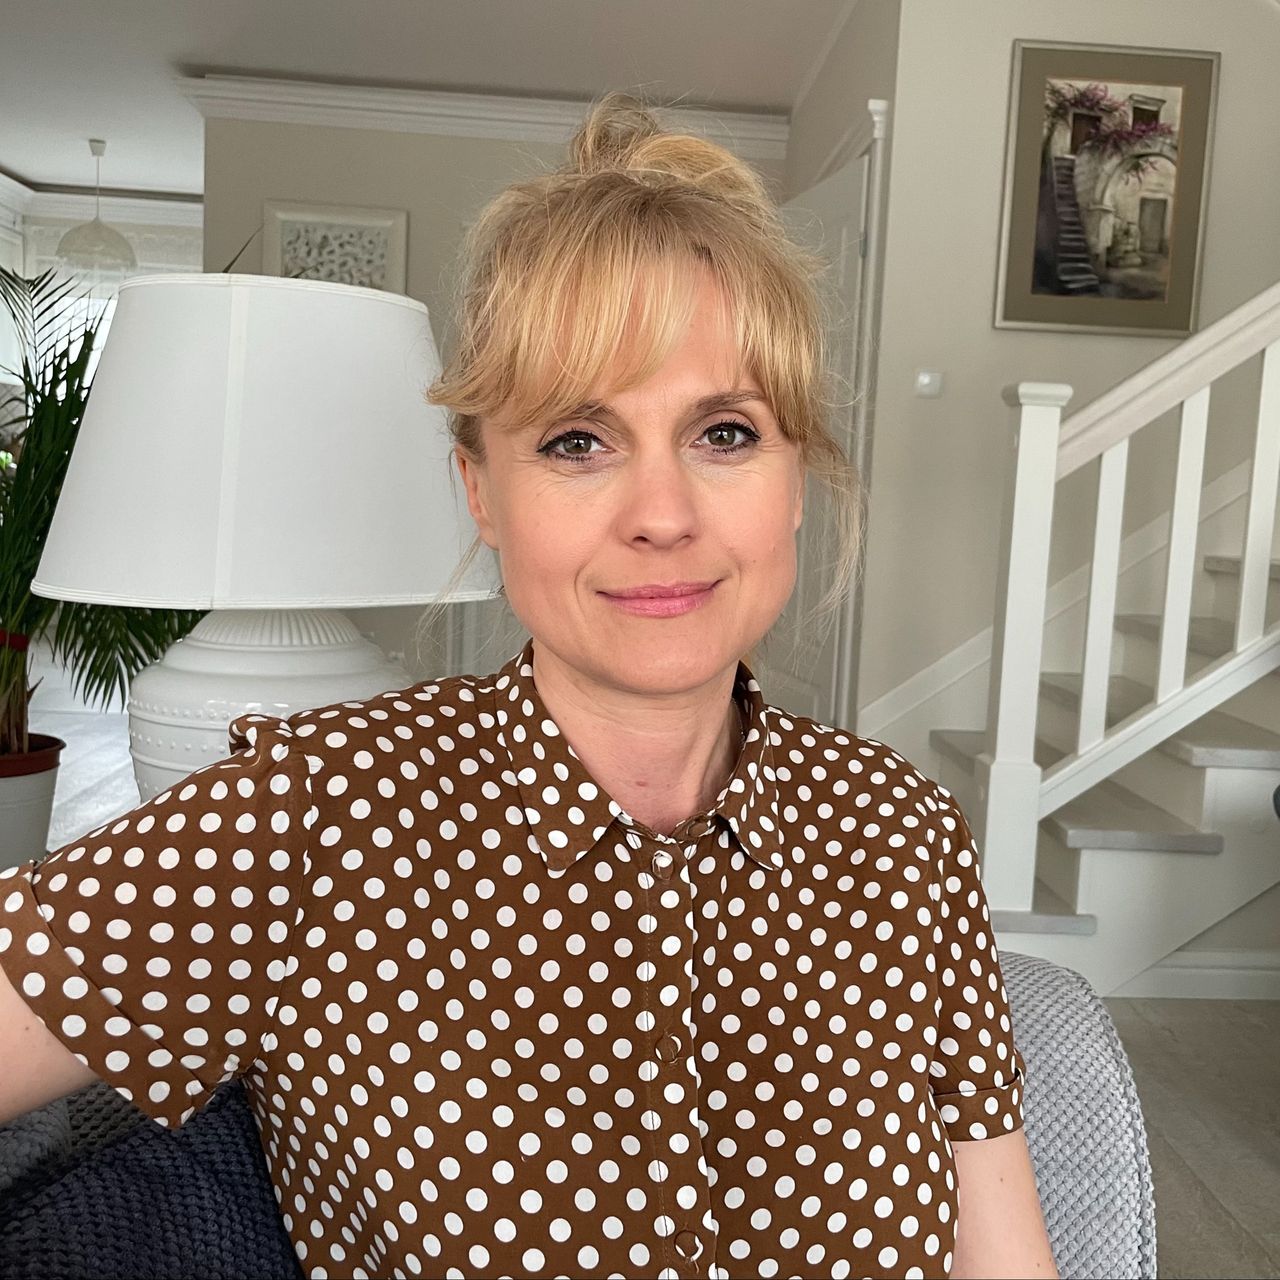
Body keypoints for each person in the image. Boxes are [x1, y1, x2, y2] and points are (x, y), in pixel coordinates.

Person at [0, 92, 1057, 1279]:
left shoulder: (902, 831)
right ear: (481, 492)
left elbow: (1001, 1251)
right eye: (575, 441)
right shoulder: (315, 813)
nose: (662, 515)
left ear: (794, 474)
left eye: (723, 432)